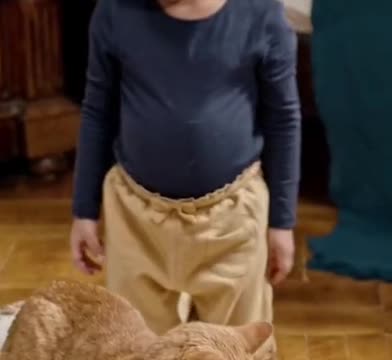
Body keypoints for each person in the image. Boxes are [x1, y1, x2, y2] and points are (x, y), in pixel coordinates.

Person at [68, 0, 301, 355]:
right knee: (138, 346)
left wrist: (282, 223)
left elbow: (284, 119)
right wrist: (85, 210)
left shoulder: (261, 12)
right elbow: (98, 110)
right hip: (134, 217)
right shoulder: (114, 10)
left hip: (233, 219)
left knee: (238, 346)